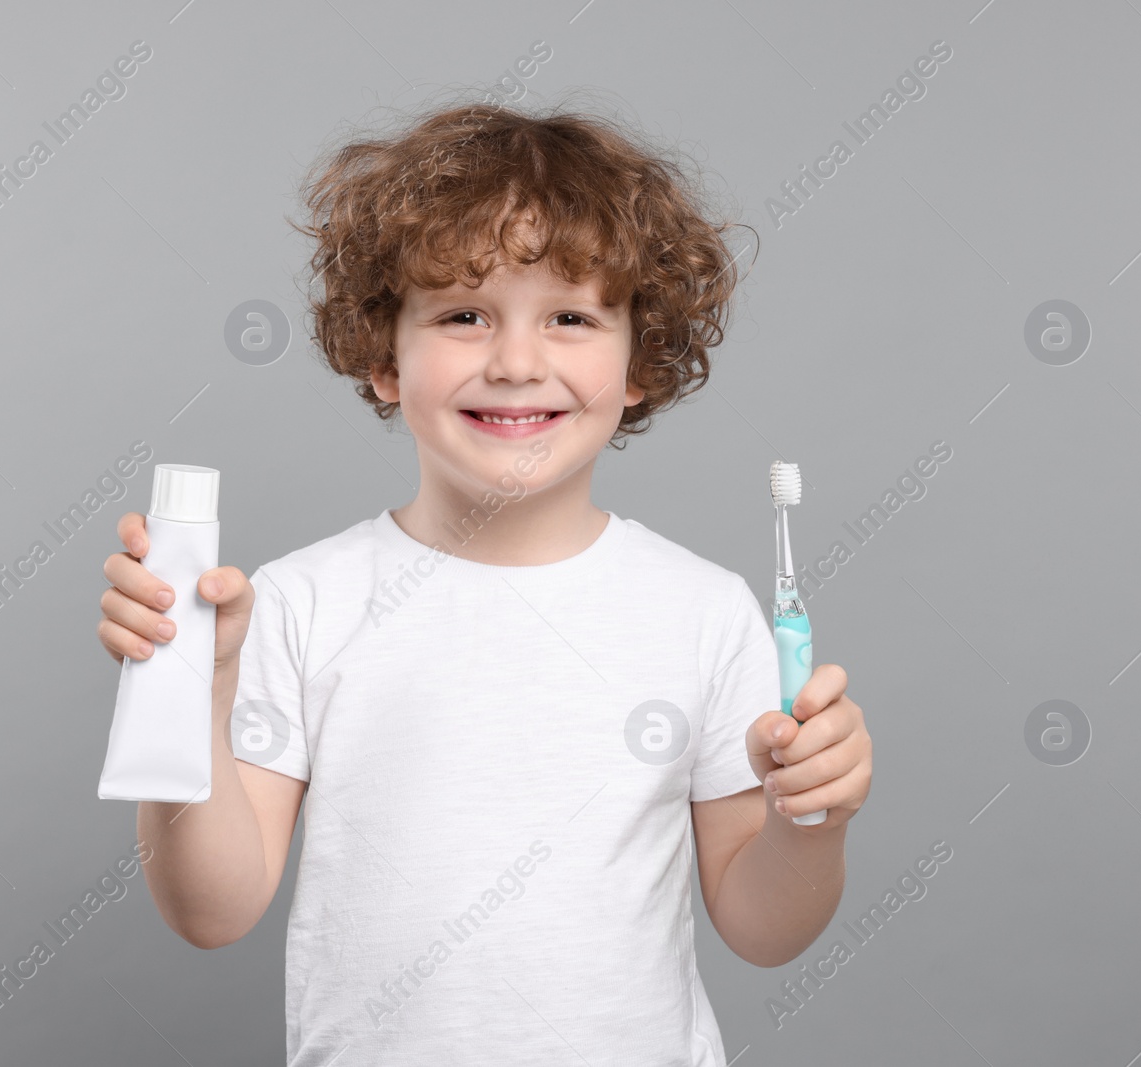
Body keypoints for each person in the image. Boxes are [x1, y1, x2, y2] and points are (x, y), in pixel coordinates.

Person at [97, 101, 873, 1065]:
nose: (515, 361)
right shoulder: (299, 604)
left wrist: (815, 823)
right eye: (464, 314)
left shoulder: (704, 613)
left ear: (640, 362)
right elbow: (211, 911)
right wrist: (192, 700)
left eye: (572, 317)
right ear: (385, 357)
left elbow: (765, 930)